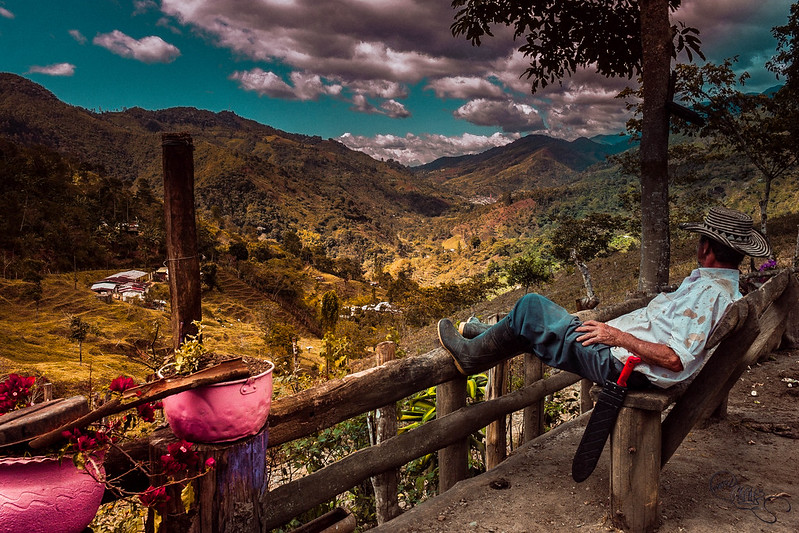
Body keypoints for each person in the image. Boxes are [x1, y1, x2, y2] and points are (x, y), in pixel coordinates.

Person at [438, 206, 772, 389]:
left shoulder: (709, 294)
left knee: (531, 305)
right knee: (548, 322)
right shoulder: (724, 289)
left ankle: (471, 355)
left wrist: (617, 336)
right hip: (626, 360)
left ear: (706, 248)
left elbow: (675, 359)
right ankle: (484, 334)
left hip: (623, 366)